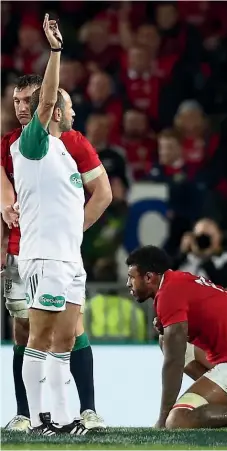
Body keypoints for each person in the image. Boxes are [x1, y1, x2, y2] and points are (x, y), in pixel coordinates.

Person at [9, 15, 110, 435]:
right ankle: (36, 421)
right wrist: (55, 52)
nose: (69, 110)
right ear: (51, 112)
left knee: (65, 341)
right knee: (41, 337)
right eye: (64, 105)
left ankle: (66, 418)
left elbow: (94, 198)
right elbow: (47, 101)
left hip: (69, 259)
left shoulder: (67, 151)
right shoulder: (30, 144)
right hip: (45, 256)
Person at [125, 245, 227, 430]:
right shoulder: (175, 281)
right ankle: (223, 411)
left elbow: (174, 361)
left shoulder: (168, 295)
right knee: (166, 340)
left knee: (178, 420)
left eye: (132, 277)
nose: (128, 283)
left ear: (149, 277)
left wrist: (163, 419)